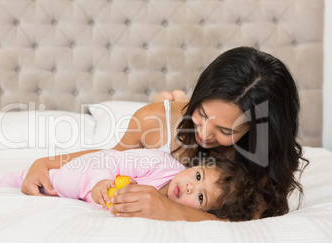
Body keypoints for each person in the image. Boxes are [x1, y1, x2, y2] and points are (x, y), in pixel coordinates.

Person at [20, 46, 306, 221]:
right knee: (168, 121)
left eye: (224, 130)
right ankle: (176, 99)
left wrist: (169, 211)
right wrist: (48, 162)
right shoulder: (151, 120)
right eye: (202, 115)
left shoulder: (258, 160)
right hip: (168, 117)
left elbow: (247, 220)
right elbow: (112, 158)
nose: (204, 133)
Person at [0, 149, 259, 221]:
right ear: (195, 165)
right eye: (198, 177)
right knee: (66, 182)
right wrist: (102, 180)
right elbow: (109, 157)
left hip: (93, 192)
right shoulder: (159, 163)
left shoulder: (175, 213)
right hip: (93, 169)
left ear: (202, 212)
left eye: (201, 198)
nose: (191, 187)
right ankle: (27, 178)